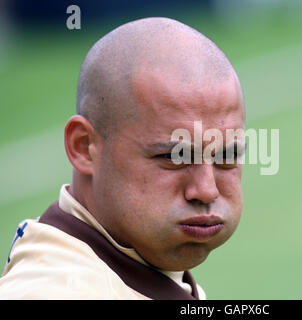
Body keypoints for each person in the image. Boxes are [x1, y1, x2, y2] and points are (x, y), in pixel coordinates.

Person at [0, 17, 245, 299]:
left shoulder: (130, 269)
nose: (206, 190)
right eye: (173, 156)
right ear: (84, 147)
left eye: (227, 155)